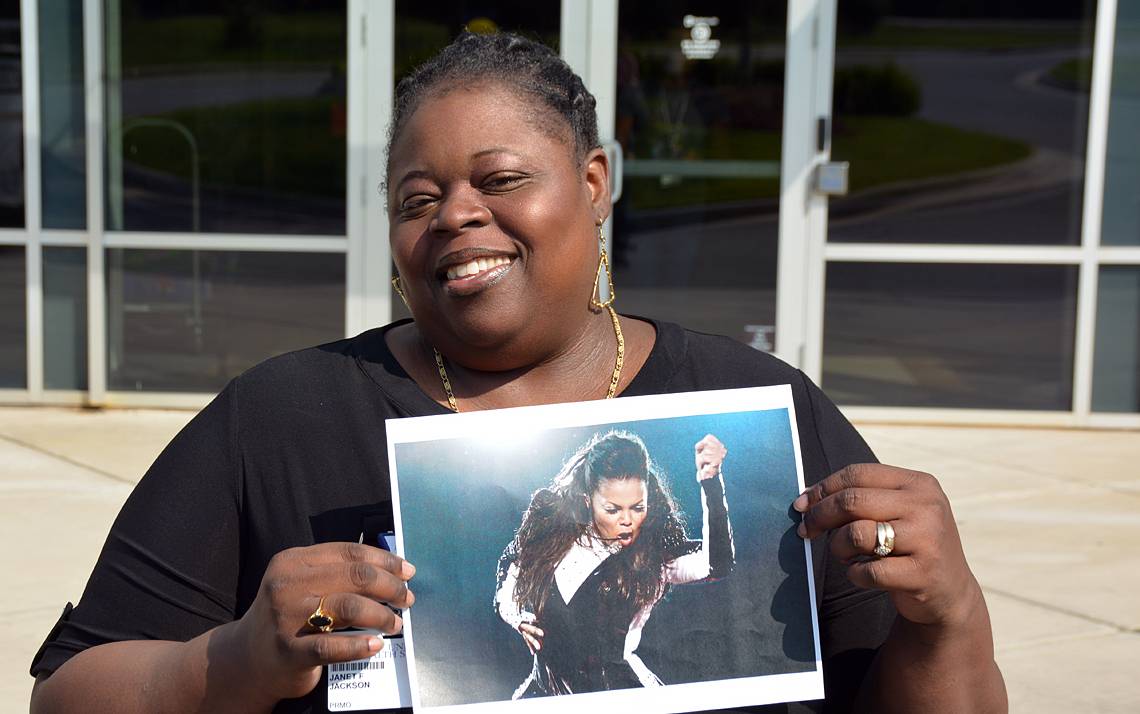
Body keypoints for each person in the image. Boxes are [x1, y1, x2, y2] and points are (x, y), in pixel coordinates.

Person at [29, 31, 1006, 713]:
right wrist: (236, 661)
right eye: (419, 197)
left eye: (499, 180)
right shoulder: (280, 419)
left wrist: (946, 617)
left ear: (592, 184)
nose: (455, 214)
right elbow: (68, 696)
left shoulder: (763, 410)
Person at [494, 431, 733, 696]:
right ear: (588, 501)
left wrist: (711, 484)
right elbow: (510, 572)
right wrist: (518, 619)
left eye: (638, 507)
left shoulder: (654, 555)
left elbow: (717, 563)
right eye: (613, 510)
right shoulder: (551, 533)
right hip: (543, 691)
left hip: (616, 694)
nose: (628, 520)